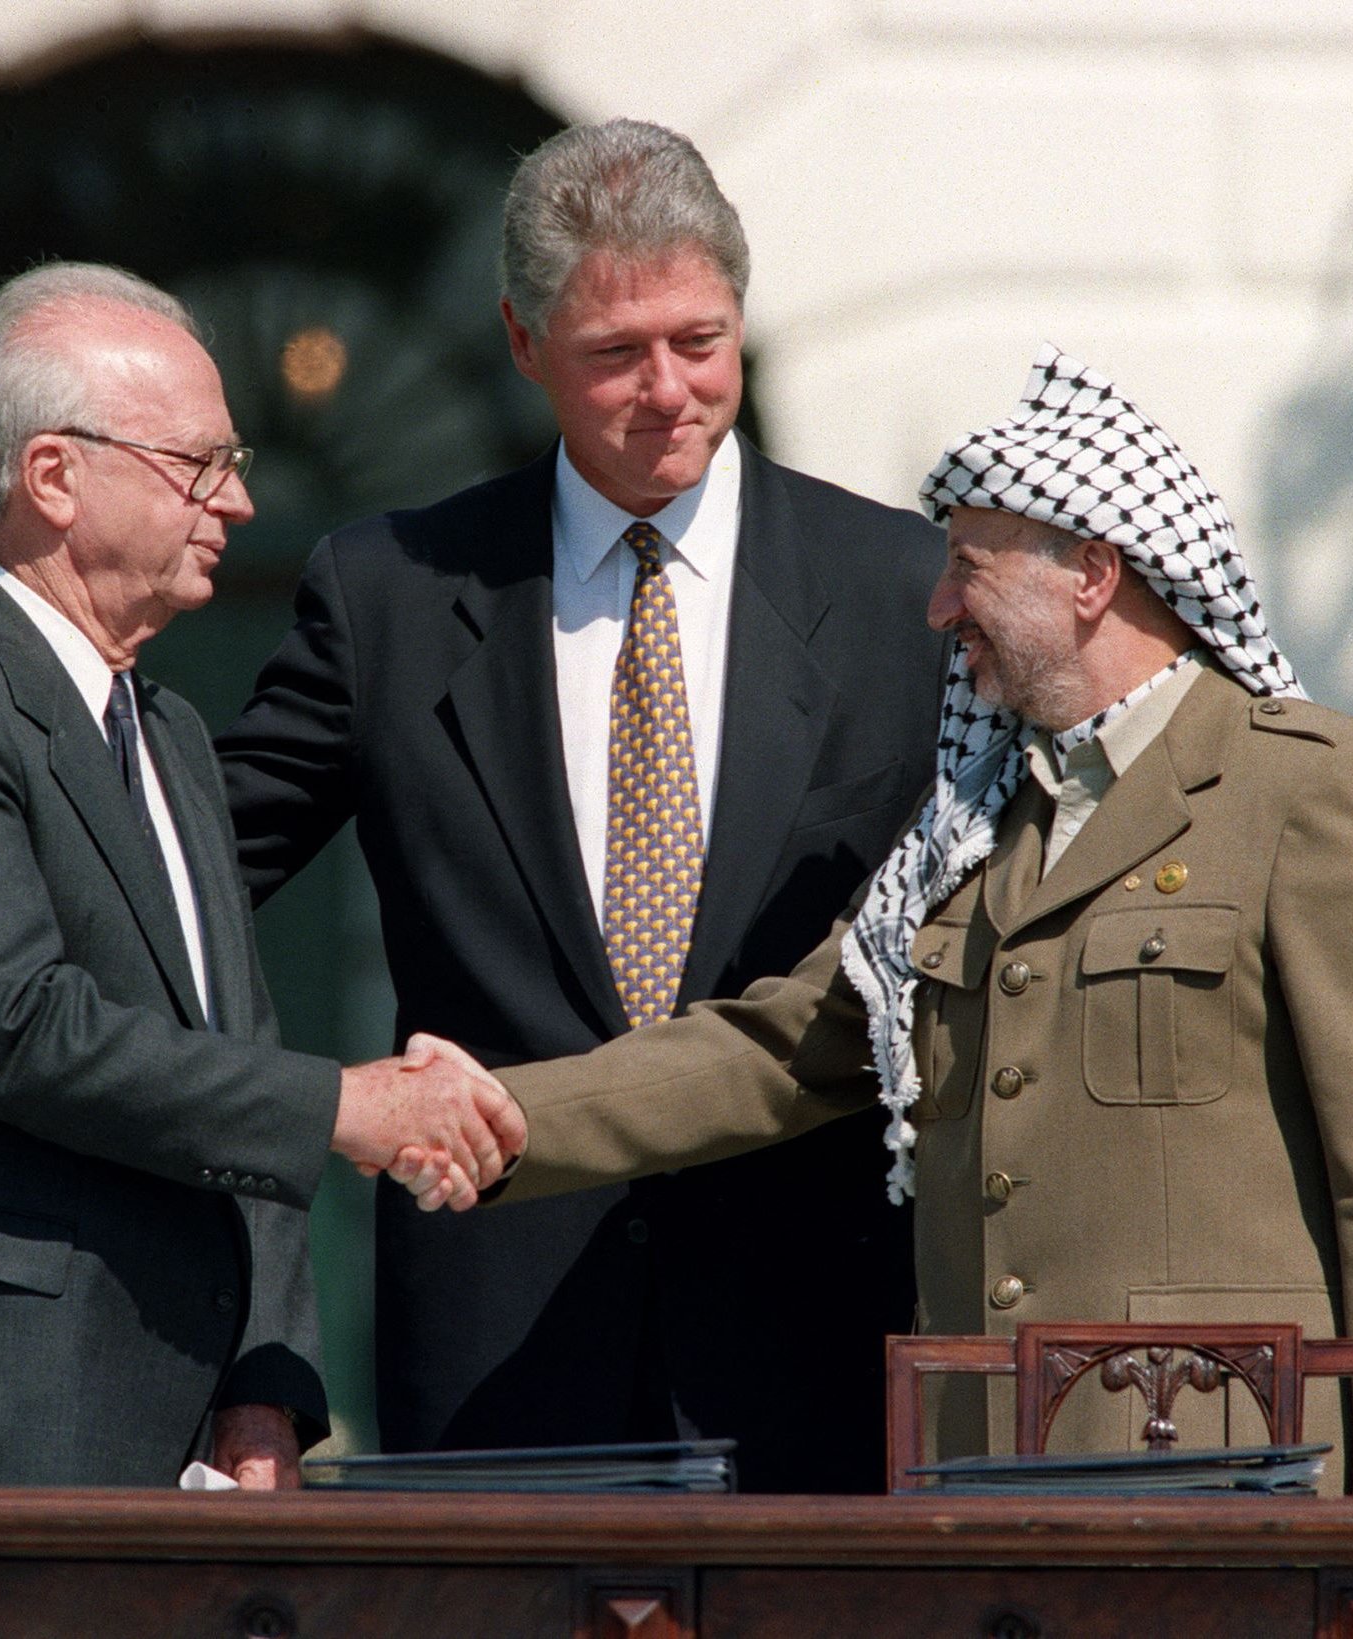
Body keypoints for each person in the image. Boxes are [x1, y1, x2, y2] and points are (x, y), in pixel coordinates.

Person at [484, 344, 1353, 1495]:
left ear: (1091, 574)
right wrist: (495, 1116)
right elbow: (776, 1047)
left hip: (1227, 1489)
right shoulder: (966, 833)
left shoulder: (1303, 787)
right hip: (980, 1485)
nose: (939, 610)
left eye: (967, 569)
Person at [216, 120, 946, 1492]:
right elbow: (176, 888)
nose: (666, 389)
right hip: (495, 1339)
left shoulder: (900, 591)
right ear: (520, 342)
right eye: (614, 353)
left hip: (816, 1333)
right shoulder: (389, 594)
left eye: (700, 339)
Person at [0, 263, 522, 1488]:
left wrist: (268, 1381)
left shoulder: (172, 732)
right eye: (198, 465)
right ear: (53, 477)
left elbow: (230, 1046)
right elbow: (22, 1024)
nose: (239, 502)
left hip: (176, 1439)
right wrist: (349, 1107)